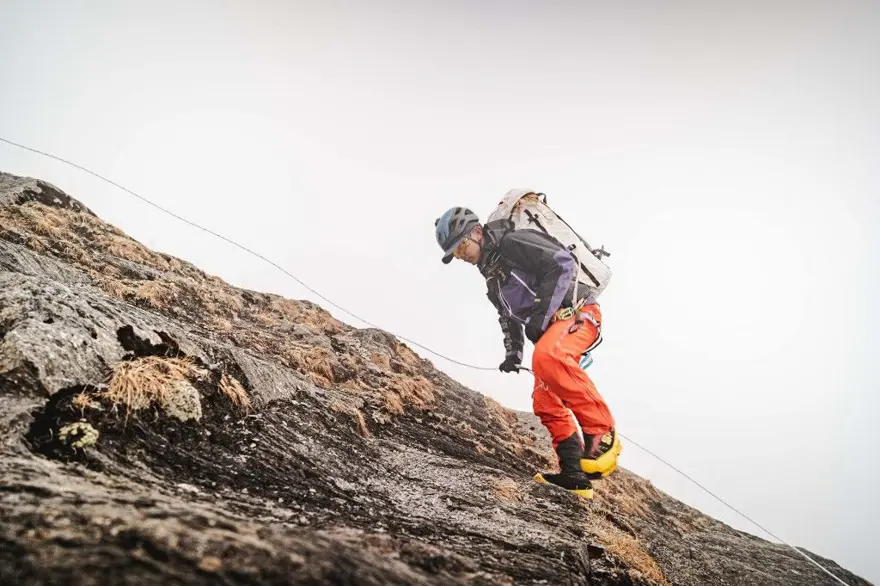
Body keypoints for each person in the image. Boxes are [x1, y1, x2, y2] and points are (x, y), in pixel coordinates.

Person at [434, 203, 621, 499]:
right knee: (544, 401)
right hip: (551, 329)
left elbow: (562, 263)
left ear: (477, 232)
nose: (461, 257)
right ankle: (575, 476)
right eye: (455, 254)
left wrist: (539, 317)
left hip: (578, 312)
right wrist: (513, 354)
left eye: (461, 248)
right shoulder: (491, 276)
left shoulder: (511, 242)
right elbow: (507, 317)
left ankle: (603, 433)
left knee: (548, 358)